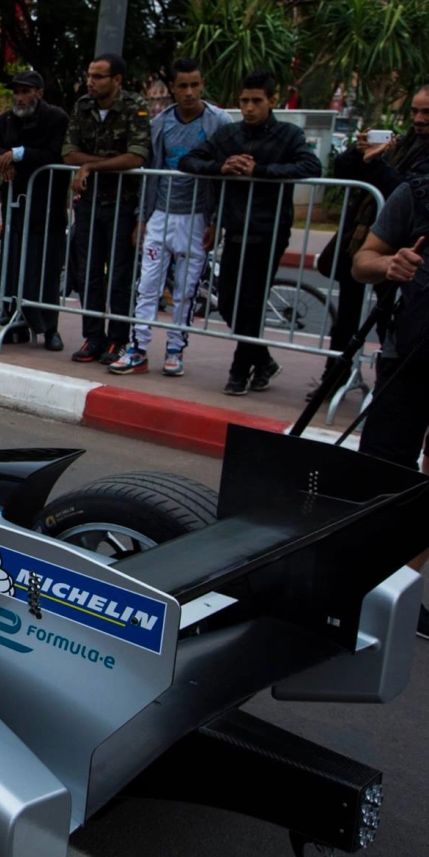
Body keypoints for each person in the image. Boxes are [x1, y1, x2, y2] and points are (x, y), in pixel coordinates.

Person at [179, 71, 322, 395]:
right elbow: (188, 161)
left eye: (256, 101)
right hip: (236, 229)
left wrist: (261, 172)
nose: (249, 107)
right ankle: (265, 362)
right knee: (228, 303)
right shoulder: (229, 135)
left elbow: (311, 167)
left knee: (252, 305)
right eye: (244, 101)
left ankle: (239, 371)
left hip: (270, 230)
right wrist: (221, 167)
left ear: (272, 101)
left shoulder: (288, 135)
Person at [109, 59, 230, 375]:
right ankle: (138, 348)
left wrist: (217, 220)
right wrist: (143, 217)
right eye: (183, 86)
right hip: (161, 214)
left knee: (186, 290)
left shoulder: (219, 122)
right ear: (172, 89)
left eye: (195, 85)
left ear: (202, 85)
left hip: (197, 217)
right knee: (148, 283)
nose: (190, 92)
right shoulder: (161, 123)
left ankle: (175, 349)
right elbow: (150, 174)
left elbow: (224, 178)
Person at [350, 175, 429, 637]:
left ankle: (400, 589)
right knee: (383, 475)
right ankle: (369, 587)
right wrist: (389, 265)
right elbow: (361, 263)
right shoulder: (417, 193)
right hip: (411, 354)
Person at [323, 85, 429, 392]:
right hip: (370, 244)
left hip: (410, 257)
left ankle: (389, 388)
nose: (419, 119)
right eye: (414, 111)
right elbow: (346, 173)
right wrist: (359, 154)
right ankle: (334, 378)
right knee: (348, 318)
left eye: (426, 112)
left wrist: (379, 166)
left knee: (394, 324)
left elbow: (409, 191)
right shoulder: (403, 144)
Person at [62, 53, 151, 364]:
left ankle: (118, 339)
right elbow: (68, 152)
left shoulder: (134, 106)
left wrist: (90, 166)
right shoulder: (82, 105)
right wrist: (89, 165)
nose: (91, 81)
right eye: (90, 74)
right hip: (88, 204)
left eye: (98, 76)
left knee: (120, 275)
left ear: (116, 80)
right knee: (87, 274)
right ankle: (93, 338)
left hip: (122, 205)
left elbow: (137, 156)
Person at [0, 70, 70, 350]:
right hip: (15, 201)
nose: (20, 97)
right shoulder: (6, 119)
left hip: (46, 204)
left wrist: (19, 153)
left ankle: (49, 328)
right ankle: (13, 322)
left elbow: (55, 154)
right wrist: (5, 160)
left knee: (45, 267)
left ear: (39, 93)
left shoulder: (56, 118)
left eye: (26, 91)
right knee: (12, 263)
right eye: (17, 92)